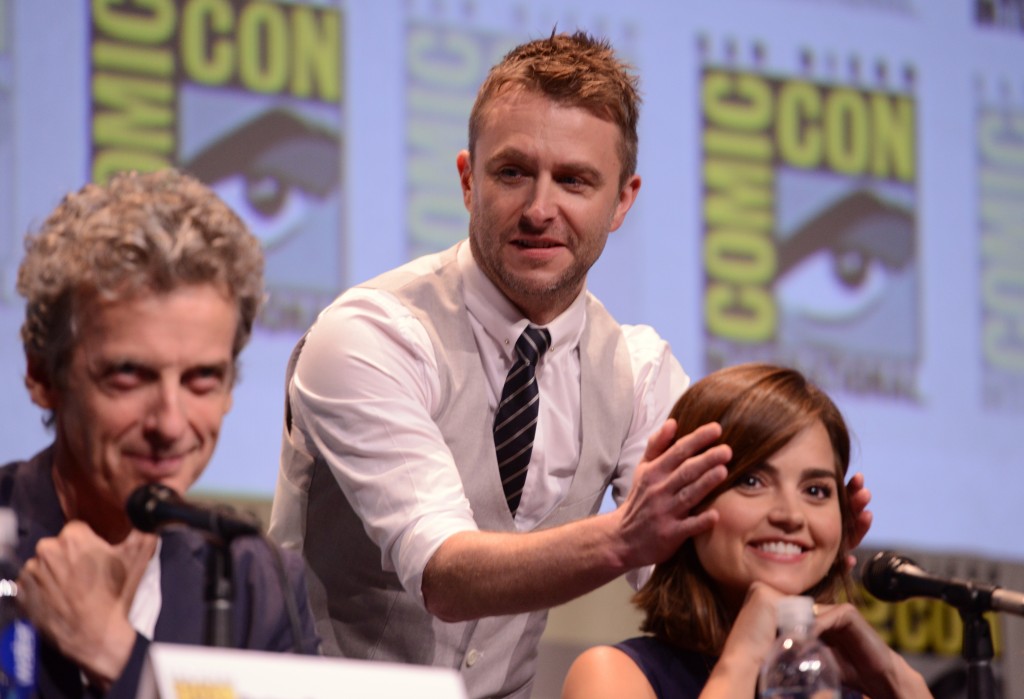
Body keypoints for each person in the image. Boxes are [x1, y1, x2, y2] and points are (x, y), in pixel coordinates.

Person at [269, 31, 870, 699]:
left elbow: (690, 582)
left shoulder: (639, 369)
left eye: (575, 180)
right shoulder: (371, 333)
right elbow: (443, 572)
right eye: (513, 172)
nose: (539, 209)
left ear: (623, 201)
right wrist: (625, 536)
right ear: (468, 180)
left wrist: (806, 554)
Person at [4, 169, 320, 699]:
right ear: (41, 375)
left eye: (201, 379)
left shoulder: (256, 580)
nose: (170, 425)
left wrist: (115, 652)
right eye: (129, 375)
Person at [561, 363, 930, 699]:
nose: (791, 516)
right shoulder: (611, 677)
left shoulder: (850, 689)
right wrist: (742, 657)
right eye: (752, 481)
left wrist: (897, 680)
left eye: (815, 491)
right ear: (684, 501)